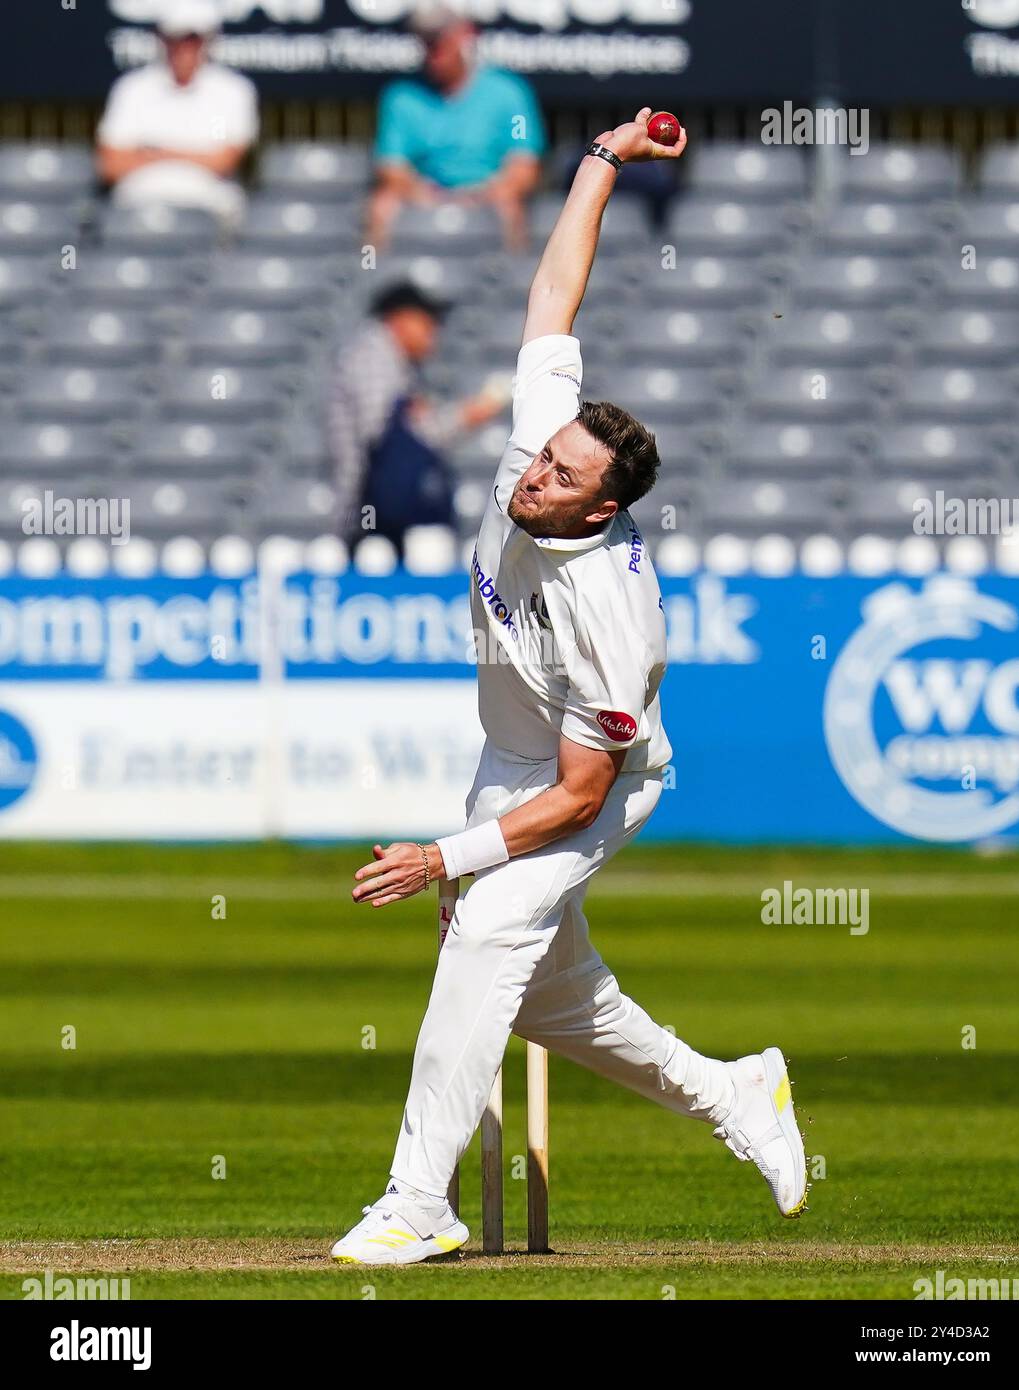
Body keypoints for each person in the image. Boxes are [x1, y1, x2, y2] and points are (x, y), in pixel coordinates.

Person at [332, 110, 808, 1266]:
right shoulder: (549, 437)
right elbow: (554, 295)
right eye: (541, 458)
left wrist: (445, 857)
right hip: (511, 756)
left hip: (592, 778)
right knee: (546, 998)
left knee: (485, 928)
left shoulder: (612, 611)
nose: (531, 476)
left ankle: (417, 1201)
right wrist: (598, 159)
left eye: (558, 479)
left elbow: (583, 793)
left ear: (602, 509)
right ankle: (735, 1093)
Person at [327, 281, 507, 556]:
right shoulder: (372, 356)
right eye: (427, 321)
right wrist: (468, 414)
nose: (433, 332)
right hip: (371, 519)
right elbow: (384, 435)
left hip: (383, 515)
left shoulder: (392, 362)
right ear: (400, 319)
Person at [367, 2, 546, 251]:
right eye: (426, 40)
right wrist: (422, 192)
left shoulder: (510, 92)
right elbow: (390, 166)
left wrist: (489, 193)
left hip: (490, 195)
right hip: (423, 196)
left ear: (465, 34)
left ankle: (514, 279)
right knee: (382, 206)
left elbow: (524, 164)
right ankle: (376, 278)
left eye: (441, 38)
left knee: (510, 206)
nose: (434, 49)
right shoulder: (401, 97)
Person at [95, 0, 259, 231]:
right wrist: (194, 156)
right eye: (176, 38)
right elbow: (111, 165)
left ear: (209, 39)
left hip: (210, 203)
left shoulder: (232, 91)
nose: (184, 48)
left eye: (193, 38)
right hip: (139, 201)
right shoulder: (131, 89)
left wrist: (153, 153)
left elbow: (223, 161)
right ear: (162, 39)